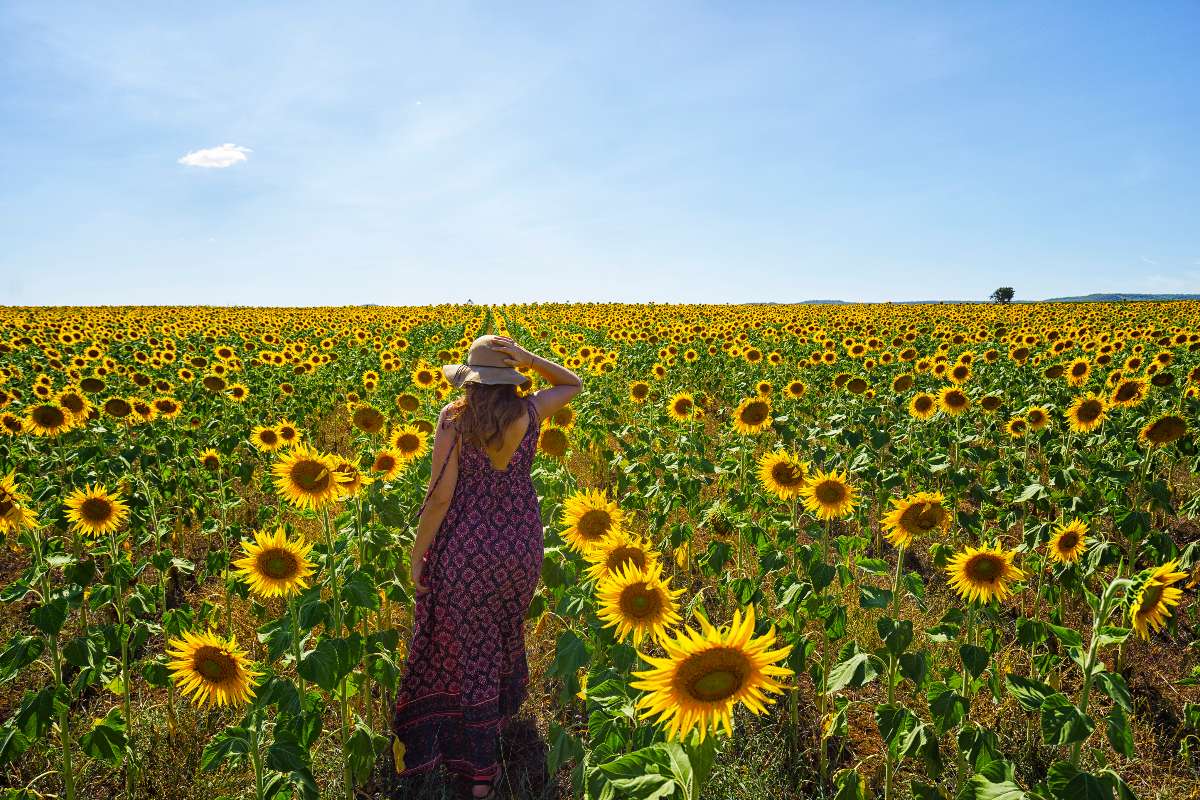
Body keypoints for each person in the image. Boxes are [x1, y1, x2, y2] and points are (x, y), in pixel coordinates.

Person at [391, 334, 582, 799]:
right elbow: (573, 384)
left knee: (472, 647)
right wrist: (532, 359)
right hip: (519, 545)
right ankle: (495, 721)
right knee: (501, 632)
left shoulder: (455, 419)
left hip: (467, 547)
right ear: (511, 375)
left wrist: (417, 556)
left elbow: (439, 497)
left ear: (471, 381)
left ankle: (479, 769)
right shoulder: (530, 411)